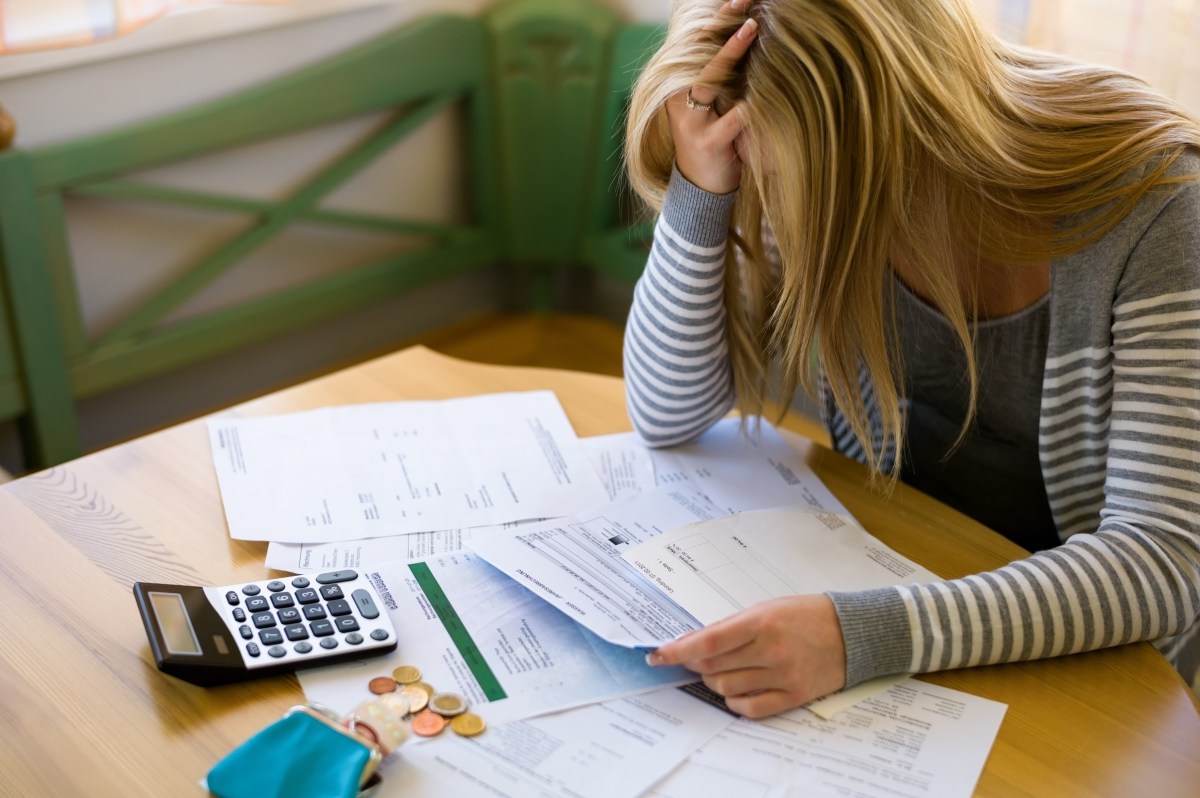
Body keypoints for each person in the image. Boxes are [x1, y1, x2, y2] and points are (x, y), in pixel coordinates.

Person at [623, 0, 1200, 718]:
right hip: (907, 590)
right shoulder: (806, 166)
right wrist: (703, 189)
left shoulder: (1156, 199)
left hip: (1097, 663)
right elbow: (663, 410)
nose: (771, 201)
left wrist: (858, 633)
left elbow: (1166, 562)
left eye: (769, 174)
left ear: (894, 135)